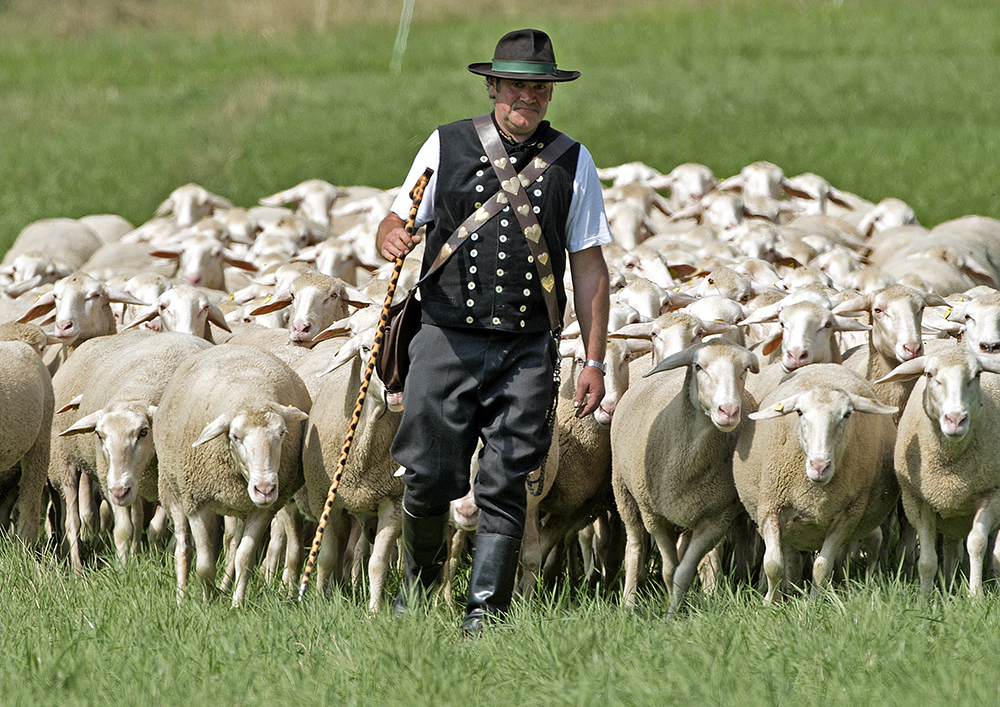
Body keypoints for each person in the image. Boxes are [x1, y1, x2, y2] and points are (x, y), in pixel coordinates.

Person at [376, 28, 612, 635]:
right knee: (428, 472)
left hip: (528, 349)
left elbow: (588, 266)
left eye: (539, 88)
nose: (527, 98)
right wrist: (391, 236)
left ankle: (486, 611)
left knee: (509, 478)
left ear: (550, 94)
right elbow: (397, 218)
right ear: (492, 86)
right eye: (516, 86)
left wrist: (593, 359)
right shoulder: (445, 145)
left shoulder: (574, 161)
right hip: (445, 338)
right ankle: (419, 589)